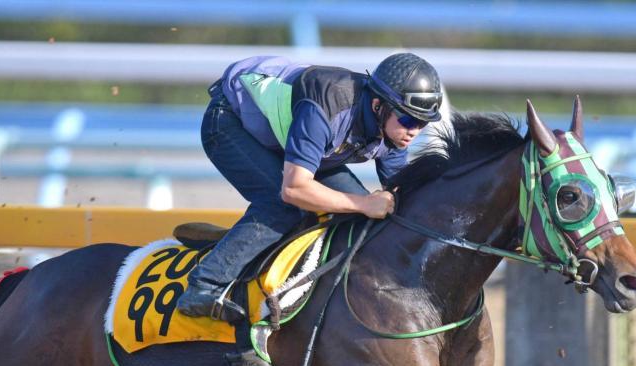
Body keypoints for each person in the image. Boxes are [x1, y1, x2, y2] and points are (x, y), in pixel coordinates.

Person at [176, 52, 444, 322]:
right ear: (378, 106)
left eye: (422, 124)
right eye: (409, 121)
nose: (414, 131)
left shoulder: (392, 131)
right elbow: (294, 190)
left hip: (290, 136)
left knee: (358, 218)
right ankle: (205, 284)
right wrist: (364, 203)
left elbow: (402, 197)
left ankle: (247, 249)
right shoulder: (328, 107)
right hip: (230, 122)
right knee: (283, 207)